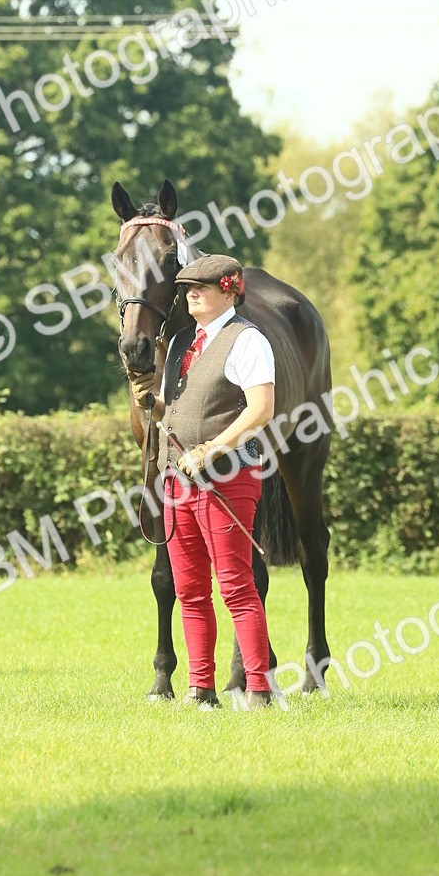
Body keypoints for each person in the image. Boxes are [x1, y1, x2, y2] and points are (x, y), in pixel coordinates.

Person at [130, 255, 275, 710]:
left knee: (236, 588)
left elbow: (261, 409)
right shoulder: (180, 343)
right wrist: (148, 400)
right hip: (177, 479)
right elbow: (172, 415)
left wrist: (213, 448)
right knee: (190, 590)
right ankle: (200, 688)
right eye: (187, 287)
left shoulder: (248, 340)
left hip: (228, 479)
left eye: (202, 287)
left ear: (229, 291)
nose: (191, 293)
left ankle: (258, 689)